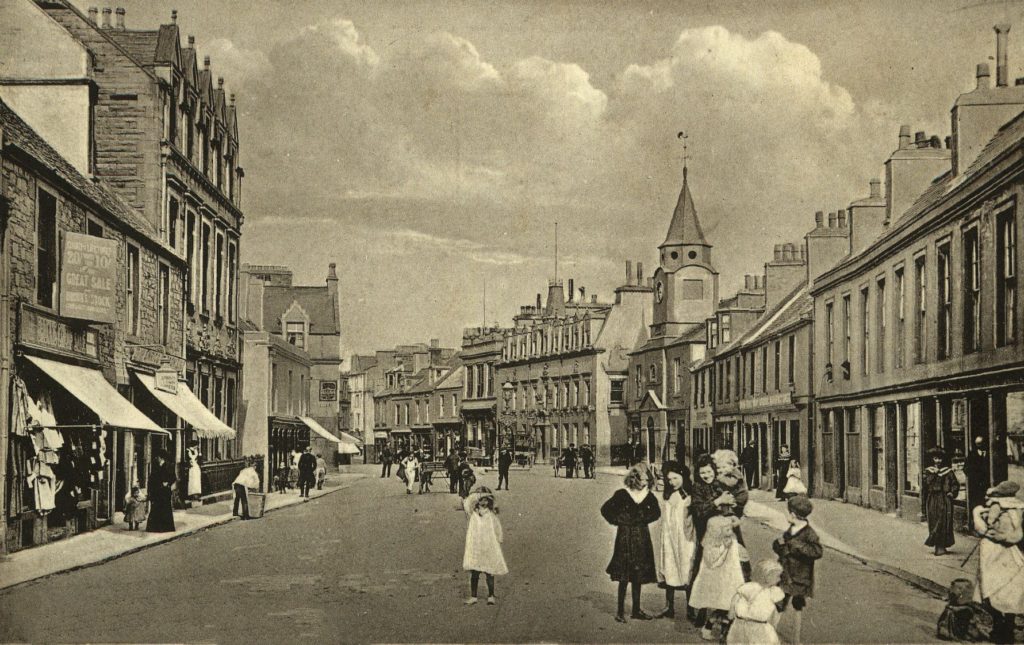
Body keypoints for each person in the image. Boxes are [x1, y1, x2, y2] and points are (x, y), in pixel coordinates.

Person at [600, 464, 662, 623]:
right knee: (624, 574)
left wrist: (643, 520)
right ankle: (620, 611)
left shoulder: (648, 496)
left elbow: (656, 513)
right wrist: (618, 521)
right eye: (644, 479)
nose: (647, 482)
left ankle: (636, 610)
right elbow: (606, 509)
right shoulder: (622, 494)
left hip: (641, 537)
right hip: (625, 537)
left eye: (648, 479)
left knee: (638, 574)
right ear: (634, 478)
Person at [972, 480, 1024, 644]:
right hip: (1012, 551)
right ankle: (1007, 629)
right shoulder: (1018, 509)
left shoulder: (995, 507)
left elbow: (982, 530)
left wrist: (976, 514)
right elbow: (1018, 534)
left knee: (988, 589)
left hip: (993, 551)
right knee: (1011, 591)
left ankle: (999, 628)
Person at [772, 495, 823, 645]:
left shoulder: (810, 533)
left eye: (789, 513)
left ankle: (796, 639)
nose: (788, 515)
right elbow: (782, 547)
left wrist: (795, 546)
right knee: (779, 601)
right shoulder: (791, 529)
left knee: (797, 604)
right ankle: (770, 634)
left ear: (793, 515)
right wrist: (778, 545)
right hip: (785, 572)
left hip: (800, 576)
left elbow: (817, 551)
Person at [689, 514, 747, 641]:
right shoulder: (710, 547)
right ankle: (714, 629)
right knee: (723, 607)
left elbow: (743, 555)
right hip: (719, 582)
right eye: (727, 530)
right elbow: (712, 562)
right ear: (717, 532)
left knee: (730, 606)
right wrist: (724, 548)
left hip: (730, 580)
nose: (730, 532)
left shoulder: (731, 540)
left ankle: (723, 632)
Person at [656, 461, 696, 620]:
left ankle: (691, 609)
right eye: (669, 479)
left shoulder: (689, 495)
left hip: (686, 538)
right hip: (668, 537)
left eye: (675, 478)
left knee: (687, 569)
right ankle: (669, 606)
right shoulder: (667, 494)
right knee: (669, 567)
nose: (673, 482)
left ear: (683, 476)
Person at [462, 486, 508, 605]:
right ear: (477, 501)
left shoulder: (491, 515)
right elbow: (466, 503)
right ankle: (473, 596)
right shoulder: (473, 514)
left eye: (487, 500)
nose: (484, 502)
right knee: (475, 573)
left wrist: (499, 538)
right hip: (476, 546)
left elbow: (497, 527)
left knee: (489, 572)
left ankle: (491, 595)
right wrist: (476, 495)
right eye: (482, 500)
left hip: (488, 545)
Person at [727, 560, 786, 645]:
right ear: (767, 576)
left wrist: (772, 625)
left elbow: (775, 613)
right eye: (777, 576)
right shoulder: (750, 587)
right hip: (744, 625)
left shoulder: (773, 592)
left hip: (757, 626)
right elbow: (735, 599)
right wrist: (731, 614)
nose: (779, 579)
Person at [922, 447, 958, 556]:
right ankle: (938, 546)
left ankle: (943, 546)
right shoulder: (928, 471)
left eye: (940, 459)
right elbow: (925, 484)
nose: (938, 461)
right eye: (936, 458)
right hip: (933, 498)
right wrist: (934, 474)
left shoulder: (948, 472)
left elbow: (955, 484)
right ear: (932, 459)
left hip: (945, 499)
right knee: (935, 521)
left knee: (945, 521)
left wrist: (952, 492)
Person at [146, 450, 176, 533]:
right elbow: (152, 477)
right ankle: (155, 528)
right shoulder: (155, 466)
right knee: (156, 508)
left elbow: (173, 477)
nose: (157, 458)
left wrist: (168, 483)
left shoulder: (169, 466)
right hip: (156, 490)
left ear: (161, 458)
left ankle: (165, 528)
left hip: (164, 491)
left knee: (164, 509)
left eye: (158, 457)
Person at [966, 437, 991, 513]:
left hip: (988, 483)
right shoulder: (972, 454)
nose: (980, 445)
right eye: (978, 444)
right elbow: (966, 468)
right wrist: (974, 478)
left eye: (981, 443)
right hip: (976, 485)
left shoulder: (990, 453)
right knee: (977, 503)